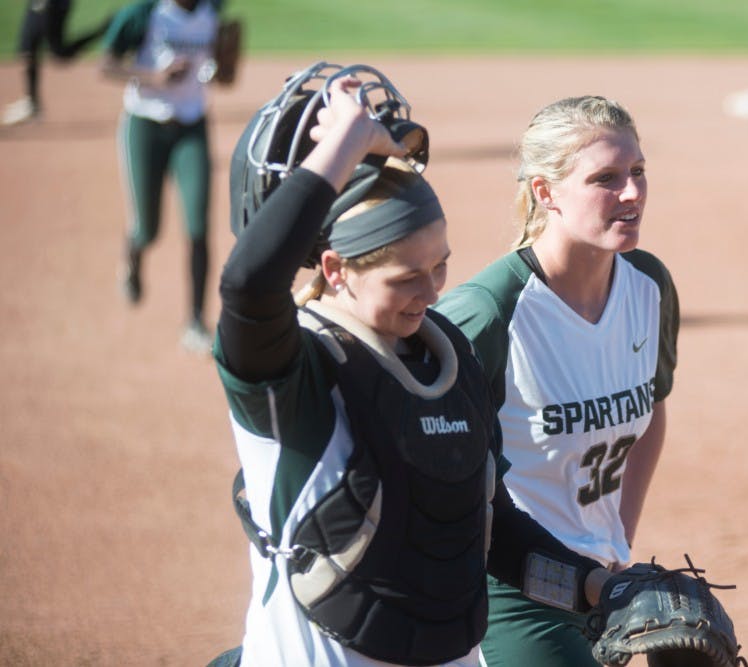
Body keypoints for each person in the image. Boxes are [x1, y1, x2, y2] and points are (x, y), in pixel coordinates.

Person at [211, 65, 617, 667]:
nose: (430, 292)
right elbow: (247, 287)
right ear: (334, 269)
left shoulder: (446, 354)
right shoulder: (294, 369)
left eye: (440, 267)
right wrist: (342, 146)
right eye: (405, 278)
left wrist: (596, 588)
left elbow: (488, 531)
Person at [434, 95, 680, 666]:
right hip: (509, 591)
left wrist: (617, 545)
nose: (633, 193)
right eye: (606, 178)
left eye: (638, 171)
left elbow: (653, 409)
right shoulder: (487, 313)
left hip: (604, 586)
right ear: (546, 193)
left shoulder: (648, 284)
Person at [101, 0, 223, 353]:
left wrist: (226, 66)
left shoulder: (212, 10)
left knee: (198, 226)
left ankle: (196, 322)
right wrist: (154, 76)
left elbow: (218, 71)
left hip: (192, 126)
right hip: (145, 125)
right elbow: (106, 64)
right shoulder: (144, 13)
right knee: (148, 228)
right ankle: (133, 254)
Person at [2, 0, 111, 126]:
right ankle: (31, 103)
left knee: (59, 52)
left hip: (54, 4)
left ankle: (103, 30)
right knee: (27, 50)